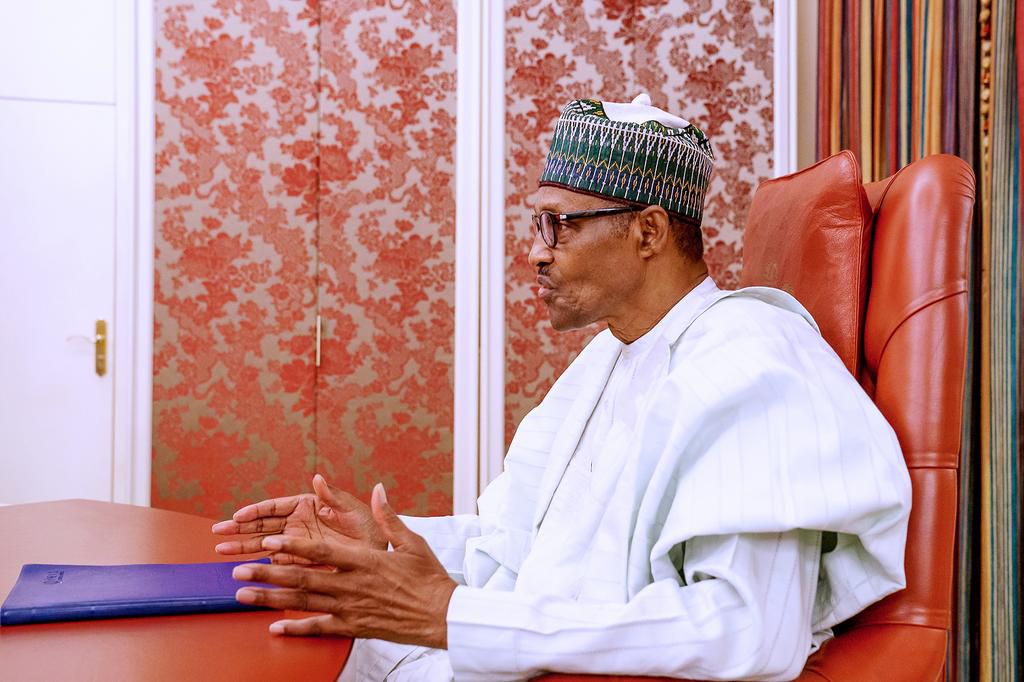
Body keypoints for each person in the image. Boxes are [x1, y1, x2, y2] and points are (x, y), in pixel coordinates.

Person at [212, 94, 912, 681]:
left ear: (647, 231)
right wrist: (382, 542)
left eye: (561, 225)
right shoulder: (612, 354)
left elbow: (746, 630)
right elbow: (516, 546)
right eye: (538, 222)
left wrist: (454, 616)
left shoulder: (755, 366)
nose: (537, 250)